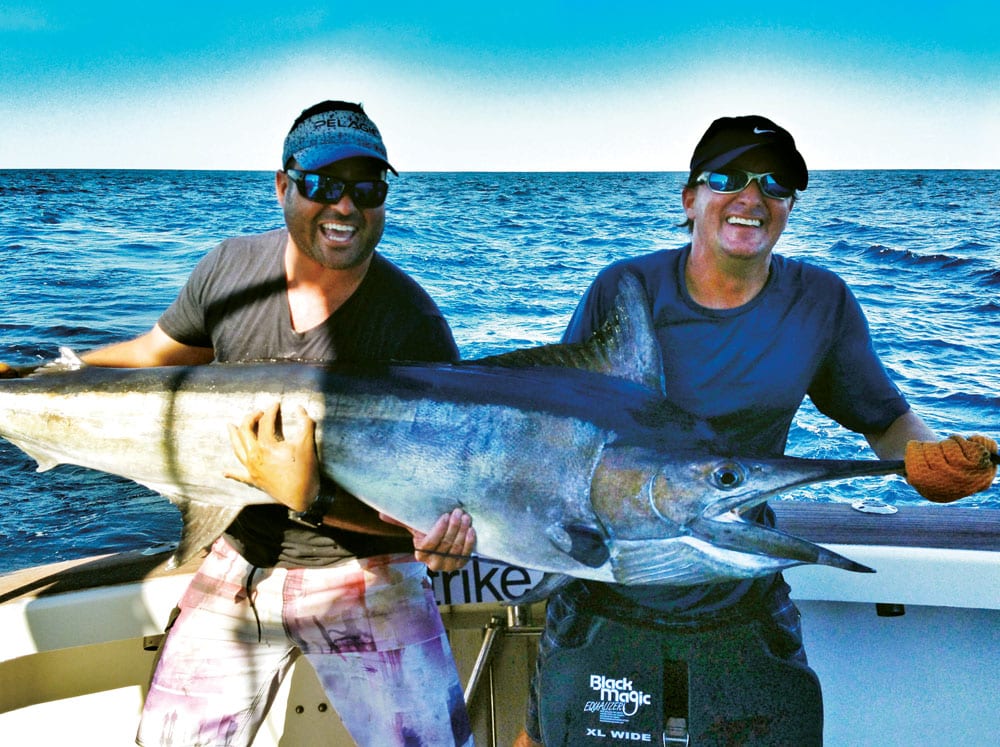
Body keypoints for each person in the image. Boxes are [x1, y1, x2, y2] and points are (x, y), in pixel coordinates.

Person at [4, 101, 476, 746]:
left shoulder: (412, 324)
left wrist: (342, 508)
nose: (345, 207)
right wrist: (40, 376)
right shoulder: (229, 267)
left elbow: (426, 514)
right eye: (322, 184)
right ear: (284, 186)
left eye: (366, 188)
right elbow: (156, 356)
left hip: (368, 573)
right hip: (241, 550)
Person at [514, 115, 998, 746]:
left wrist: (931, 458)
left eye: (775, 184)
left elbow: (884, 421)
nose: (752, 197)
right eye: (728, 178)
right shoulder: (624, 288)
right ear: (690, 199)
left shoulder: (820, 302)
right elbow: (553, 437)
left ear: (790, 206)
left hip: (738, 584)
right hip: (610, 585)